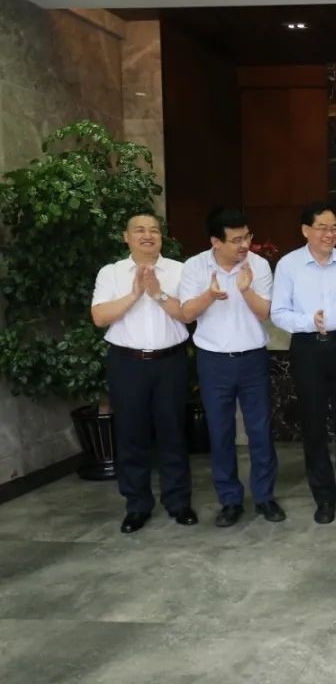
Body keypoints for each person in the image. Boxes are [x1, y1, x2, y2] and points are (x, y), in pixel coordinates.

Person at [180, 207, 283, 527]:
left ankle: (264, 496)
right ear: (216, 241)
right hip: (213, 361)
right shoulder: (195, 266)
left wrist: (245, 289)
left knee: (260, 430)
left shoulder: (258, 264)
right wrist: (210, 295)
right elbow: (186, 313)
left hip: (253, 358)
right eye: (236, 240)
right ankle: (230, 500)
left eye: (247, 237)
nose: (244, 245)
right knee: (220, 431)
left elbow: (265, 312)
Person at [91, 213, 194, 534]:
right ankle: (136, 505)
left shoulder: (180, 270)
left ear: (162, 237)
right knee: (131, 434)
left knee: (173, 432)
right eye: (139, 230)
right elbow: (99, 316)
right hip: (128, 363)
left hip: (170, 362)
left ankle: (178, 502)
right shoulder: (111, 273)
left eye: (154, 230)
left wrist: (158, 293)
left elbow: (189, 315)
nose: (147, 235)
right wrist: (136, 293)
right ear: (127, 237)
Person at [271, 202, 336, 524]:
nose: (330, 234)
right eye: (323, 228)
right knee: (313, 425)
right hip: (307, 348)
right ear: (305, 231)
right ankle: (324, 497)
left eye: (334, 228)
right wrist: (310, 322)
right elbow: (279, 313)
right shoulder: (289, 265)